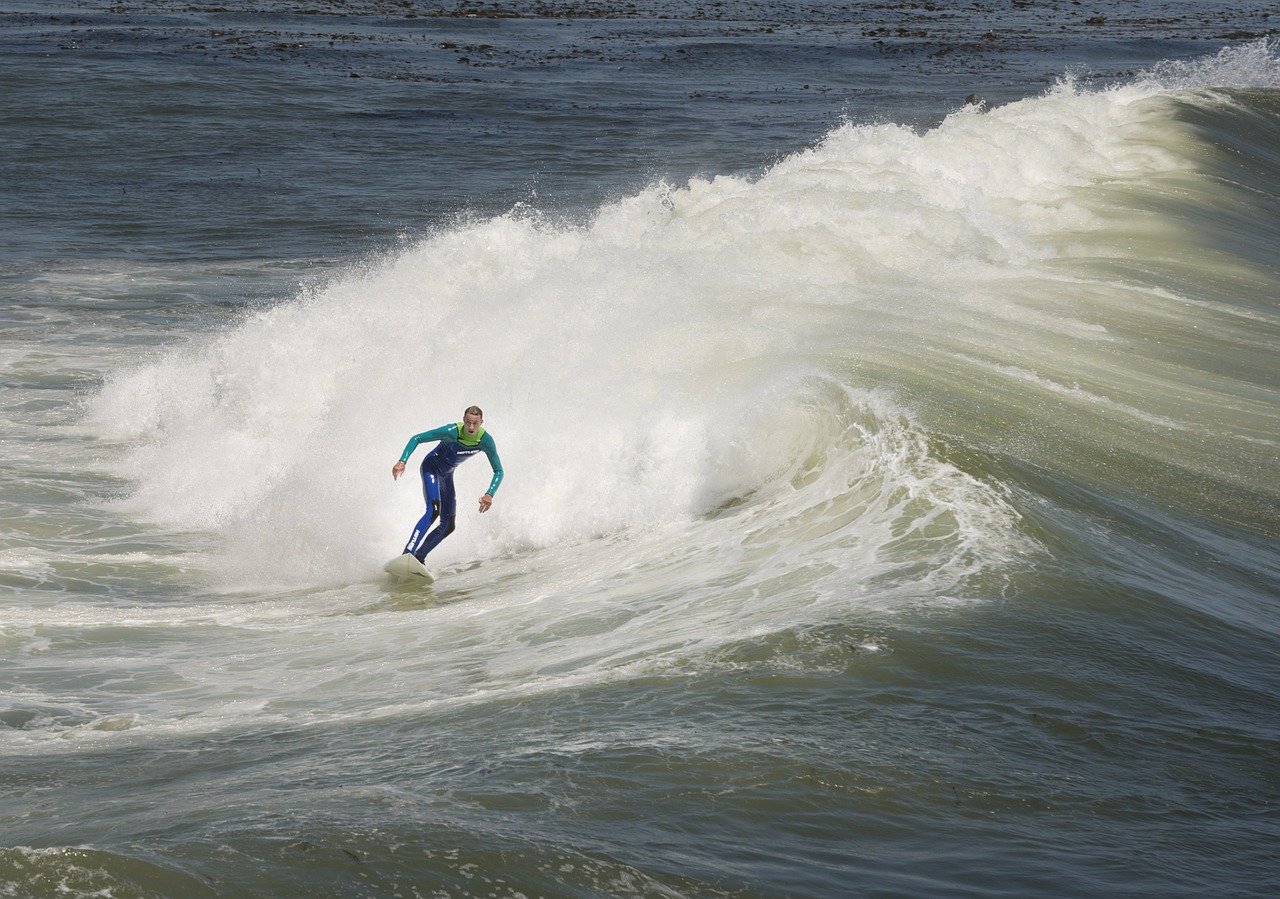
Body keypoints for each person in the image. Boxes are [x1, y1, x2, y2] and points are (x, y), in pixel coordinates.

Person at [392, 405, 503, 563]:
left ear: (481, 422)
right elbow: (417, 438)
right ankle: (406, 554)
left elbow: (498, 470)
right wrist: (402, 460)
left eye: (475, 424)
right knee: (433, 510)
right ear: (463, 420)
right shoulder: (451, 431)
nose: (471, 428)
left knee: (448, 525)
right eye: (468, 422)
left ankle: (418, 558)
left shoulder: (486, 441)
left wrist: (490, 493)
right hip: (431, 468)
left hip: (446, 475)